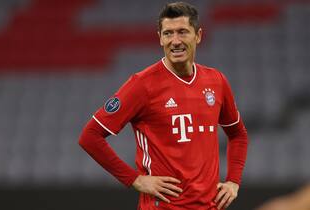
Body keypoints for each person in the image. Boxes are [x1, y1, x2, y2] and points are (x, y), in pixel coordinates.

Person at [79, 2, 248, 209]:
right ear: (160, 37)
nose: (175, 41)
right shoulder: (141, 85)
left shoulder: (216, 81)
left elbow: (238, 134)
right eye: (168, 33)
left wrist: (233, 181)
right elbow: (90, 136)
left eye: (182, 32)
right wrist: (135, 179)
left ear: (198, 35)